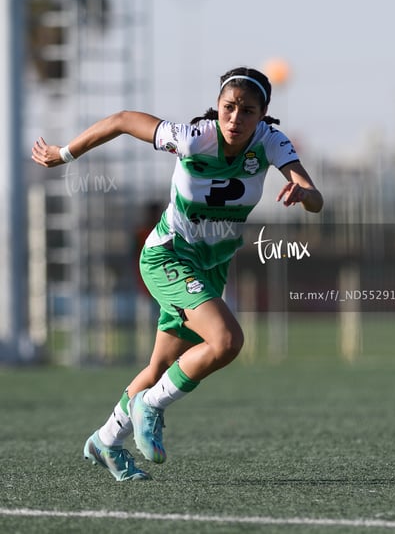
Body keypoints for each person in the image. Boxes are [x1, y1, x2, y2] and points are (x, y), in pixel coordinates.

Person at [32, 66, 323, 482]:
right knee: (226, 341)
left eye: (247, 110)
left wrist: (305, 194)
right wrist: (65, 154)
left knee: (159, 366)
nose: (235, 118)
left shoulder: (271, 142)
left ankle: (105, 442)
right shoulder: (194, 137)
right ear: (218, 106)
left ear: (263, 115)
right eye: (229, 107)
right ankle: (150, 406)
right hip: (168, 256)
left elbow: (316, 200)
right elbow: (121, 120)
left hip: (209, 267)